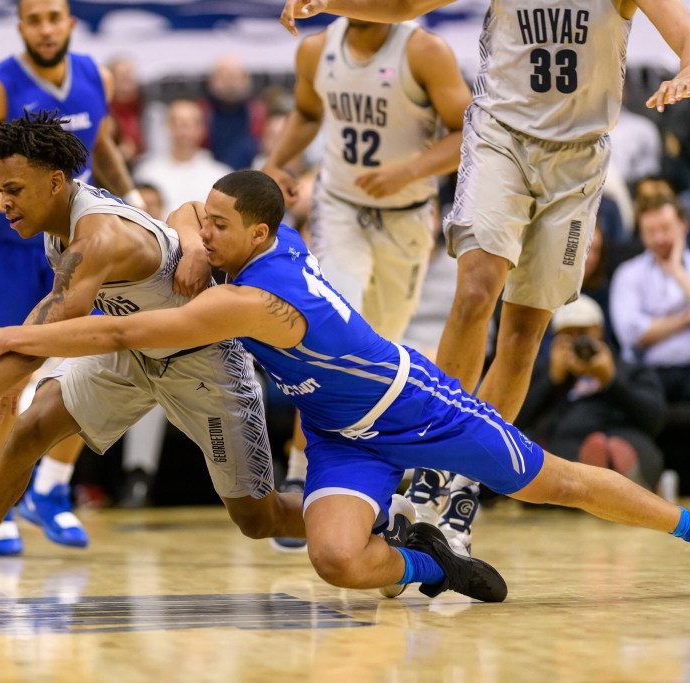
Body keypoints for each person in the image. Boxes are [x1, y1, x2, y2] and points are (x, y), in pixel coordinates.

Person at [0, 169, 690, 606]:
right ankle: (429, 558)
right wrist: (194, 239)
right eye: (205, 222)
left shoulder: (254, 299)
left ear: (259, 237)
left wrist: (8, 338)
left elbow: (115, 333)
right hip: (341, 435)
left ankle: (685, 529)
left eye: (218, 229)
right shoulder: (264, 237)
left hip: (414, 407)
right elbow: (183, 214)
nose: (201, 235)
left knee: (552, 483)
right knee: (335, 560)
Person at [279, 0, 690, 551]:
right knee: (475, 292)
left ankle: (463, 492)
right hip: (502, 138)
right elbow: (406, 4)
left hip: (578, 159)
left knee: (522, 335)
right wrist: (332, 3)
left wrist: (686, 66)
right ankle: (427, 469)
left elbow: (684, 31)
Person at [0, 115, 312, 616]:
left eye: (14, 189)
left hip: (202, 363)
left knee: (258, 518)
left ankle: (372, 520)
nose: (4, 202)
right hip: (130, 347)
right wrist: (5, 371)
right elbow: (43, 327)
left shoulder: (97, 238)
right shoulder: (58, 219)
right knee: (31, 426)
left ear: (55, 181)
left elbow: (36, 341)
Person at [0, 0, 143, 555]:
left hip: (78, 242)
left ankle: (50, 489)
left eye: (55, 17)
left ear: (70, 22)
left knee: (92, 360)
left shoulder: (94, 76)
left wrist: (136, 200)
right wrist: (9, 202)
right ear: (21, 26)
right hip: (10, 248)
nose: (46, 28)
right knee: (3, 368)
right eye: (35, 19)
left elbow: (99, 150)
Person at [260, 15, 470, 550]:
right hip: (341, 209)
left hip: (406, 214)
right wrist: (276, 163)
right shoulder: (316, 50)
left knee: (374, 351)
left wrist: (409, 170)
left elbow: (467, 130)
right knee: (328, 335)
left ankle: (360, 483)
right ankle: (300, 467)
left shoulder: (423, 50)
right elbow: (308, 113)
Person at [516, 296, 667, 490]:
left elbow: (654, 420)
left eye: (583, 333)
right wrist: (551, 381)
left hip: (621, 435)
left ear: (599, 331)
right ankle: (605, 482)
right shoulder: (544, 372)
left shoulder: (630, 370)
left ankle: (608, 477)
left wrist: (611, 380)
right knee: (548, 456)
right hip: (564, 440)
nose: (577, 342)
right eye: (567, 336)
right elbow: (515, 421)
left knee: (630, 449)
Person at [610, 193, 690, 404]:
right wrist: (684, 319)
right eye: (650, 231)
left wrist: (678, 272)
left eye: (665, 229)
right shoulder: (628, 273)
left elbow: (646, 329)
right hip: (648, 373)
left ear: (683, 226)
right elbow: (632, 333)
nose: (659, 239)